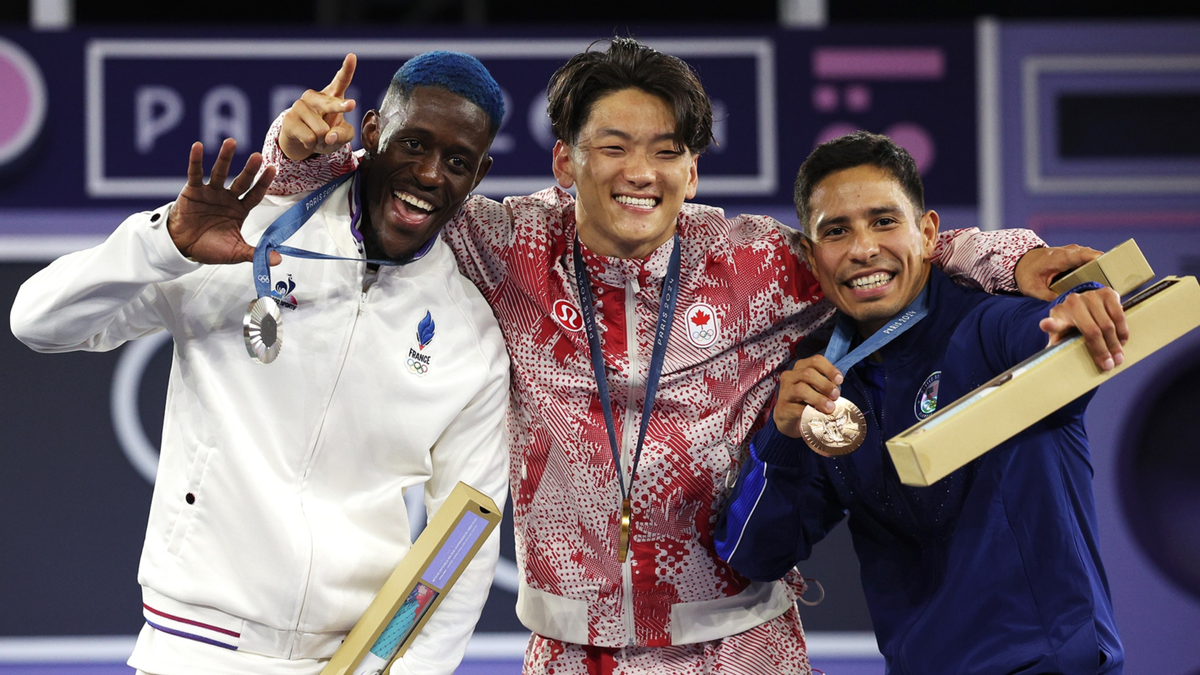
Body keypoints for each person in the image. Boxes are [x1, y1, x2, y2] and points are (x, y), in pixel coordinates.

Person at [265, 40, 1104, 674]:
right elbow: (371, 206)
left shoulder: (758, 261)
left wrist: (1008, 258)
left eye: (667, 151)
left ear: (693, 171)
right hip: (568, 651)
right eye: (614, 146)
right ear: (565, 161)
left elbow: (888, 249)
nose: (642, 172)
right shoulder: (507, 242)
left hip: (740, 647)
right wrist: (302, 151)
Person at [9, 52, 510, 675]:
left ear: (480, 172)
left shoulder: (470, 334)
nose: (431, 174)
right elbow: (38, 321)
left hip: (348, 656)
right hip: (195, 649)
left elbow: (462, 537)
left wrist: (398, 671)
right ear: (374, 132)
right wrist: (161, 243)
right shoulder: (246, 236)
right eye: (413, 144)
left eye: (457, 162)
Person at [716, 131, 1126, 674]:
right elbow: (754, 555)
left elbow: (1046, 332)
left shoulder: (988, 326)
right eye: (837, 231)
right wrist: (783, 441)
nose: (863, 248)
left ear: (929, 234)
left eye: (885, 221)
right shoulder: (823, 383)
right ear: (813, 261)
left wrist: (1074, 313)